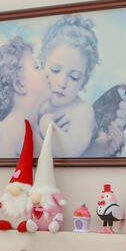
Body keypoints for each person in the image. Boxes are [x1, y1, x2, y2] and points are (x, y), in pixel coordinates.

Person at [37, 15, 100, 158]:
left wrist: (46, 126)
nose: (62, 83)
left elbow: (71, 154)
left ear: (84, 80)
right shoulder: (37, 102)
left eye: (74, 77)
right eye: (55, 70)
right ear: (42, 64)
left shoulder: (83, 111)